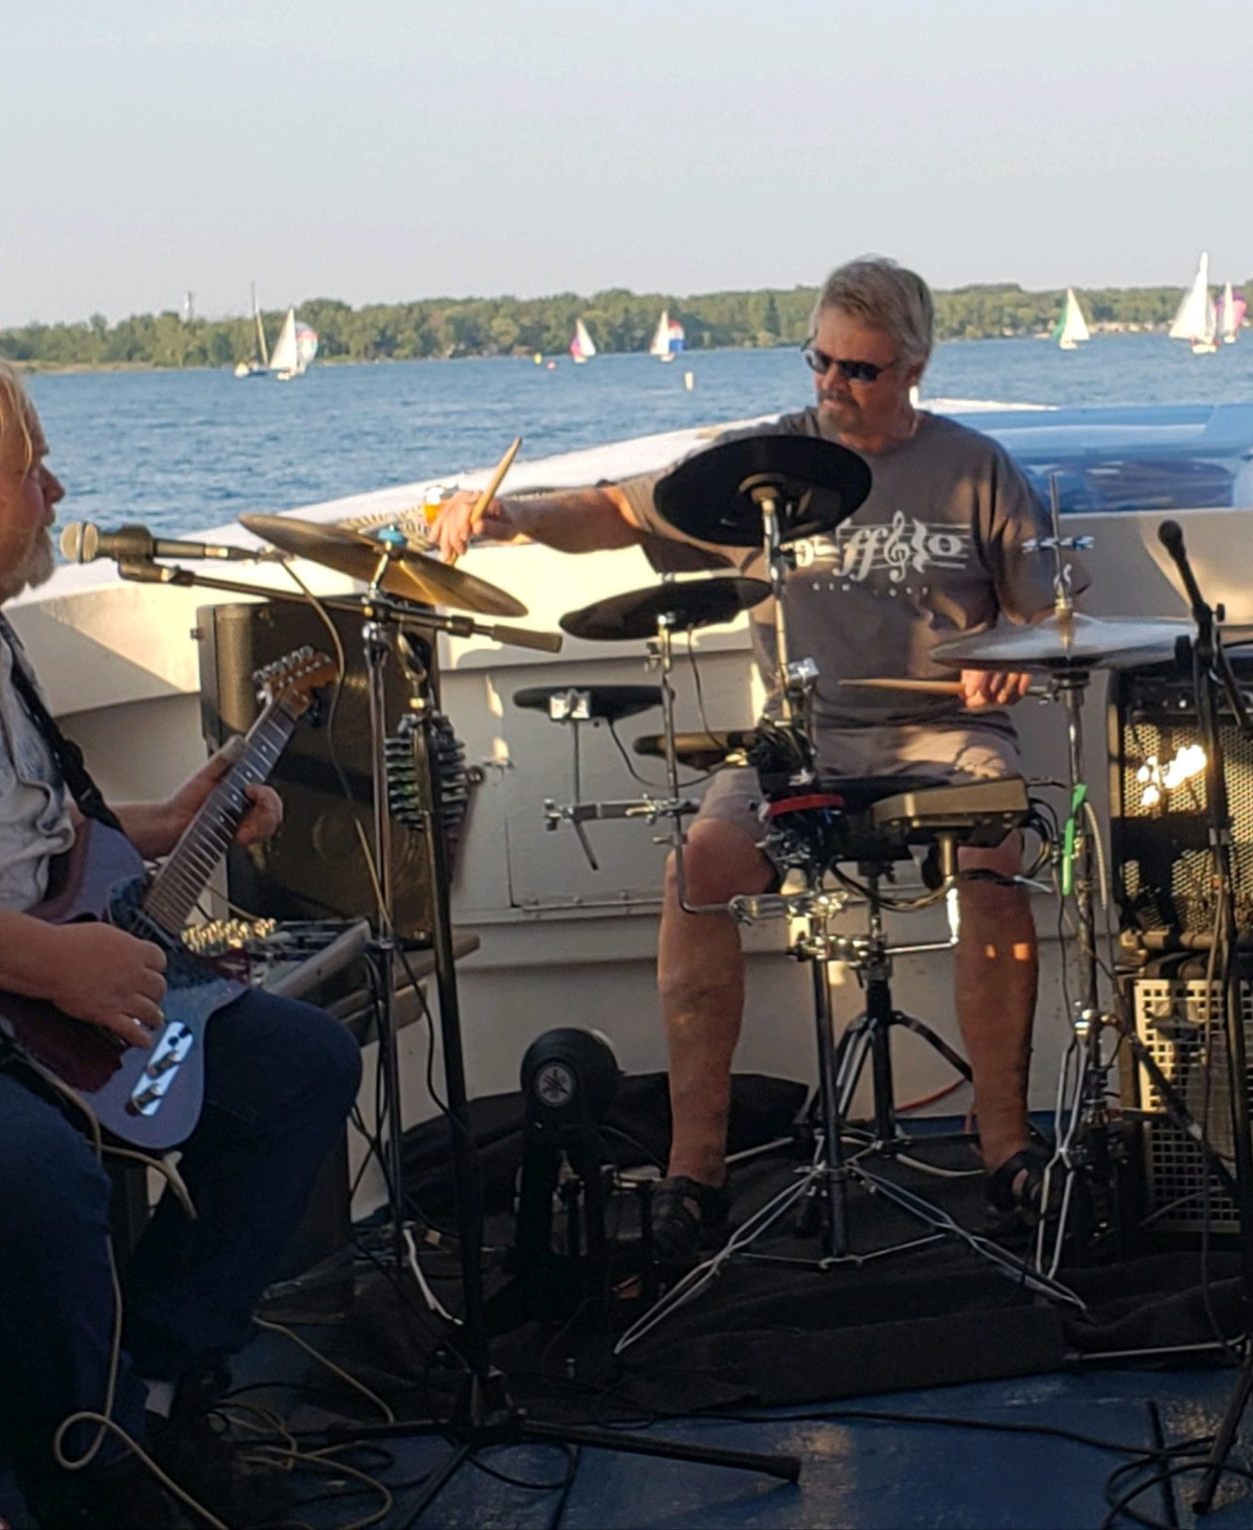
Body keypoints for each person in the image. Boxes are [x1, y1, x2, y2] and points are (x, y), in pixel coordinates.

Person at [432, 257, 1063, 1259]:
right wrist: (510, 514)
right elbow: (618, 510)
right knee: (700, 870)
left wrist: (1009, 662)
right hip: (803, 734)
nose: (832, 388)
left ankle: (1005, 1147)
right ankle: (697, 1168)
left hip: (948, 733)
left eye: (859, 371)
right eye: (820, 362)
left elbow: (1049, 616)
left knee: (995, 855)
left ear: (914, 366)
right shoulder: (763, 468)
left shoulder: (977, 469)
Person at [0, 349, 361, 1528]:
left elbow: (28, 833)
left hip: (31, 984)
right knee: (18, 1167)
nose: (58, 494)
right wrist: (51, 963)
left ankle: (162, 1395)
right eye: (30, 471)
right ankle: (93, 1478)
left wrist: (173, 820)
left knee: (298, 1066)